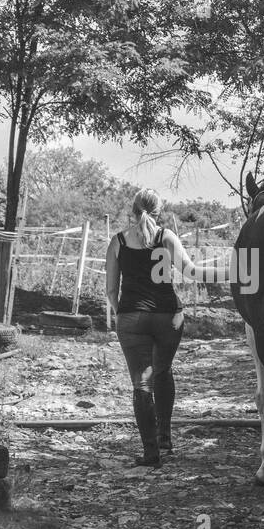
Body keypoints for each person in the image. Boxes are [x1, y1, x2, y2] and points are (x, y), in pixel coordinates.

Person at [105, 189, 211, 468]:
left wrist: (121, 314)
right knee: (162, 370)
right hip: (168, 317)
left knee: (142, 384)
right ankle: (165, 436)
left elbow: (110, 290)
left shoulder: (117, 242)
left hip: (132, 318)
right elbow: (190, 271)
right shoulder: (166, 237)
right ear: (158, 211)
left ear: (132, 209)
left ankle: (151, 453)